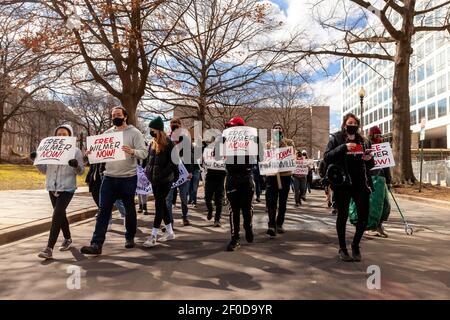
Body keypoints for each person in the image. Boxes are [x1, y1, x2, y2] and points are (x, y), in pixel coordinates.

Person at [81, 107, 148, 255]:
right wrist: (90, 153)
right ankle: (96, 244)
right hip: (109, 178)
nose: (115, 117)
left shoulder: (134, 133)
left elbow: (144, 153)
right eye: (113, 115)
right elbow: (98, 154)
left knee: (129, 209)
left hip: (128, 178)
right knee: (103, 211)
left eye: (118, 115)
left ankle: (129, 237)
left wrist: (132, 151)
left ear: (125, 116)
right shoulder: (107, 134)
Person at [324, 113, 374, 262]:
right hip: (343, 184)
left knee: (364, 217)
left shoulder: (364, 141)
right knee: (343, 215)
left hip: (361, 184)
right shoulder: (336, 138)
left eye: (355, 123)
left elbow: (371, 164)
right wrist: (343, 147)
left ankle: (355, 244)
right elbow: (327, 157)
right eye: (349, 122)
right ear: (345, 125)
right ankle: (342, 248)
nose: (352, 125)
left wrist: (369, 159)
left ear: (357, 125)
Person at [33, 124, 85, 259]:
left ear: (69, 136)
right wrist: (36, 160)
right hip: (52, 187)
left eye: (64, 134)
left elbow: (80, 172)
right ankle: (67, 239)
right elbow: (45, 170)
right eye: (59, 134)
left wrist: (76, 165)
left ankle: (49, 248)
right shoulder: (50, 149)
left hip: (67, 188)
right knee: (61, 215)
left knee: (57, 215)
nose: (61, 136)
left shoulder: (76, 151)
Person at [222, 117, 260, 251]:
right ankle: (235, 238)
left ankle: (248, 227)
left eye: (233, 126)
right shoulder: (224, 140)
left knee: (247, 208)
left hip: (246, 178)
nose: (230, 129)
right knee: (234, 210)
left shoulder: (251, 141)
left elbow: (260, 155)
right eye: (229, 127)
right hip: (232, 178)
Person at [143, 116, 179, 247]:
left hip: (165, 180)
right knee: (162, 204)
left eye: (152, 129)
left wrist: (163, 174)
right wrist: (147, 173)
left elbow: (174, 162)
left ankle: (153, 236)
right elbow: (149, 161)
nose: (150, 131)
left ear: (158, 130)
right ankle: (169, 232)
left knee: (159, 206)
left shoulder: (169, 143)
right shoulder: (152, 143)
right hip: (154, 180)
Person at [264, 123, 295, 238]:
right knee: (271, 201)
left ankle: (279, 223)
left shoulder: (289, 142)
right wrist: (273, 144)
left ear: (282, 130)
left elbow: (291, 154)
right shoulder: (267, 144)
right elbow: (264, 158)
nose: (277, 130)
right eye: (275, 128)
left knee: (282, 201)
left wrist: (280, 142)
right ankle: (271, 225)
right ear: (272, 131)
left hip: (285, 176)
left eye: (279, 128)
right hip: (272, 176)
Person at [166, 118, 193, 226]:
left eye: (176, 123)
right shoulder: (166, 139)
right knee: (168, 199)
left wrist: (190, 171)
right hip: (169, 174)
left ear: (180, 125)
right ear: (170, 125)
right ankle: (169, 222)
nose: (174, 125)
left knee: (183, 197)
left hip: (183, 173)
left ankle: (185, 216)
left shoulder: (185, 139)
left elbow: (189, 156)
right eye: (172, 123)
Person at [367, 126, 391, 238]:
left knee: (385, 205)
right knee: (374, 205)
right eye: (377, 135)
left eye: (380, 135)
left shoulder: (383, 147)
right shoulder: (367, 145)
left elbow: (387, 166)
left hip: (382, 179)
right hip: (371, 178)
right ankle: (371, 227)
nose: (379, 137)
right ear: (372, 135)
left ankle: (379, 225)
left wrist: (389, 180)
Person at [204, 137, 227, 227]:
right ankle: (210, 210)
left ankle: (217, 219)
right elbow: (204, 161)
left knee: (219, 200)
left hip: (220, 178)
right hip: (210, 177)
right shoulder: (209, 150)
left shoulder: (227, 151)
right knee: (207, 198)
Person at [188, 138, 201, 208]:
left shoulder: (197, 152)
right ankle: (190, 199)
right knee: (190, 187)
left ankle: (193, 201)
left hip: (196, 170)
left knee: (194, 187)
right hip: (190, 171)